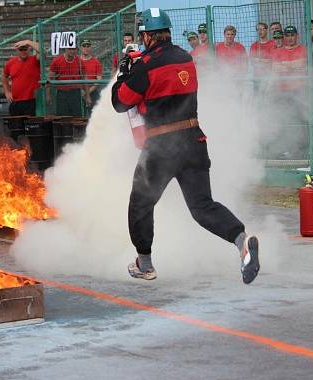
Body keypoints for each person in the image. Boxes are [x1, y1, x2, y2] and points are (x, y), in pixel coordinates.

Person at [111, 8, 261, 284]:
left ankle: (144, 263)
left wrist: (124, 73)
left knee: (141, 204)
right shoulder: (185, 58)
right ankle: (241, 240)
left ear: (146, 35)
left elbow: (121, 103)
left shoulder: (145, 65)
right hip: (194, 140)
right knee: (202, 206)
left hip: (161, 146)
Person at [274, 25, 308, 158]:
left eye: (292, 35)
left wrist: (285, 65)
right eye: (287, 36)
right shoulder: (278, 51)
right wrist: (293, 65)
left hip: (299, 90)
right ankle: (288, 148)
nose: (289, 38)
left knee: (302, 119)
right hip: (283, 90)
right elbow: (276, 69)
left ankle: (304, 148)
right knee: (286, 120)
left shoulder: (303, 49)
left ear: (297, 36)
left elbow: (301, 65)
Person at [0, 39, 41, 116]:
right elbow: (3, 76)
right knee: (15, 127)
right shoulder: (10, 63)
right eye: (20, 49)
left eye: (25, 49)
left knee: (31, 126)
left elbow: (43, 52)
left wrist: (28, 42)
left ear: (29, 49)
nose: (23, 51)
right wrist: (7, 91)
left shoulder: (35, 60)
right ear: (16, 50)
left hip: (32, 101)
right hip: (15, 101)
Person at [47, 46, 83, 117]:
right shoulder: (57, 60)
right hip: (62, 93)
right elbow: (50, 78)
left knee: (77, 117)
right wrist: (48, 95)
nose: (72, 51)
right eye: (70, 49)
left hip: (75, 92)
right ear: (65, 49)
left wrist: (87, 94)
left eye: (74, 49)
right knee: (63, 117)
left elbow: (84, 77)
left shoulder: (79, 61)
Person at [79, 39, 103, 116]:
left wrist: (87, 92)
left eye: (88, 46)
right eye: (84, 46)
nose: (86, 48)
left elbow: (98, 80)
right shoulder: (77, 61)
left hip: (92, 92)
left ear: (90, 47)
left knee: (96, 116)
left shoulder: (96, 62)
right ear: (80, 48)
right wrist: (82, 92)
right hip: (79, 92)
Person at [250, 22, 275, 88]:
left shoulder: (272, 43)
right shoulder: (254, 45)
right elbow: (252, 61)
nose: (260, 31)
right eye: (258, 29)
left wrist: (259, 60)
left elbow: (273, 60)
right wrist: (266, 61)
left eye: (262, 29)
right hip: (257, 77)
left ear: (266, 30)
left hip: (270, 77)